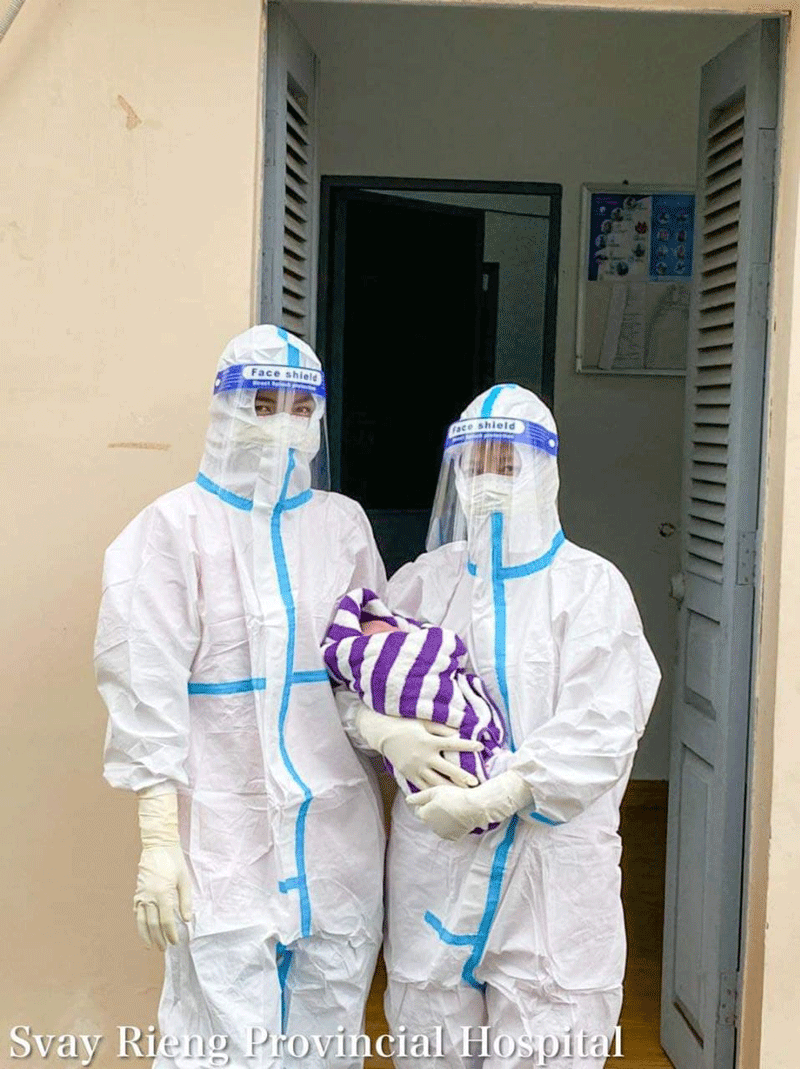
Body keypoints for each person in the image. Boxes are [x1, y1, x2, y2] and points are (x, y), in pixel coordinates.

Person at [95, 325, 386, 1069]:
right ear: (224, 406)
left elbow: (367, 661)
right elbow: (145, 691)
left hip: (335, 832)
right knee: (221, 1043)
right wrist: (159, 841)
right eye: (262, 403)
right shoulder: (170, 529)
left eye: (300, 407)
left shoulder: (341, 526)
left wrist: (390, 732)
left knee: (330, 1029)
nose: (282, 422)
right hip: (222, 834)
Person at [352, 384, 661, 1069]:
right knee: (429, 1035)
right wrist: (379, 728)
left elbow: (605, 725)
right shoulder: (425, 582)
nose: (488, 478)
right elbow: (355, 676)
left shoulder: (590, 587)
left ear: (544, 470)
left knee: (552, 1036)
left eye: (507, 462)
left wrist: (503, 793)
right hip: (436, 863)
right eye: (476, 462)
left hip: (550, 876)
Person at [322, 586, 507, 798]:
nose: (388, 637)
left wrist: (520, 785)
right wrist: (365, 721)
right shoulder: (413, 585)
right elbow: (333, 694)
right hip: (421, 809)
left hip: (519, 786)